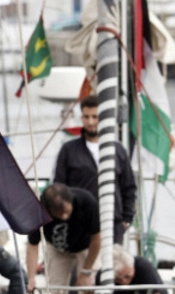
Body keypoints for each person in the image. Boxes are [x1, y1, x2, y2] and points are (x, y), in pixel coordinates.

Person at [52, 96, 137, 242]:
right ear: (81, 117)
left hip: (113, 224)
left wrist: (126, 220)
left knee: (114, 264)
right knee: (85, 265)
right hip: (79, 223)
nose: (90, 122)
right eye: (86, 117)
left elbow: (128, 187)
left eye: (95, 117)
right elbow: (59, 187)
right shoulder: (68, 150)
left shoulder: (118, 150)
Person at [26, 183, 101, 294]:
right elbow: (33, 245)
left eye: (67, 211)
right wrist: (31, 276)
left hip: (86, 247)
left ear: (71, 201)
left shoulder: (86, 201)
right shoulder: (37, 211)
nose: (65, 217)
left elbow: (96, 239)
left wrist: (86, 272)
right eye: (59, 215)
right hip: (57, 249)